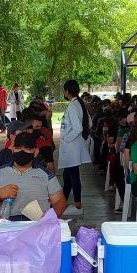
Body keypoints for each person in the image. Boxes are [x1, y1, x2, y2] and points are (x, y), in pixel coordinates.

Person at [0, 141, 66, 220]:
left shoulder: (46, 174)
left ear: (36, 151)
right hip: (6, 226)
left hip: (37, 225)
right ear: (12, 149)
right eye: (18, 148)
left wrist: (48, 219)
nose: (22, 152)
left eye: (28, 149)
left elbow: (59, 201)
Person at [58, 80, 90, 215]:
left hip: (71, 147)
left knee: (73, 176)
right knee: (67, 176)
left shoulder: (73, 106)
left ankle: (77, 205)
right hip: (73, 147)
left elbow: (78, 128)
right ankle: (62, 202)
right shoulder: (78, 104)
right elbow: (90, 122)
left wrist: (66, 138)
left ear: (67, 91)